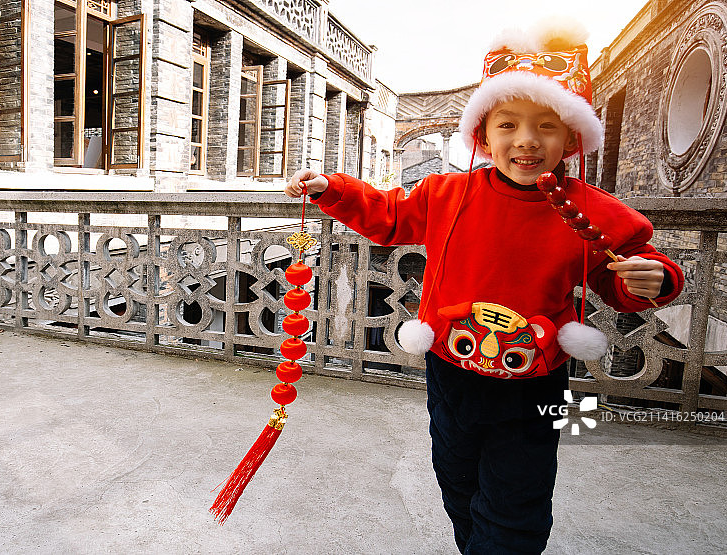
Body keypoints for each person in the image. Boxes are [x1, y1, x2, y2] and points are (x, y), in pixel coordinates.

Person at [285, 19, 684, 554]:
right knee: (456, 477)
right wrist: (332, 188)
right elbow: (387, 214)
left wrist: (655, 277)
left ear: (571, 137)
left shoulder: (594, 211)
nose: (526, 139)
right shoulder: (446, 194)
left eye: (547, 125)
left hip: (536, 378)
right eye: (508, 124)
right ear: (483, 134)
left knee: (519, 495)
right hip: (451, 370)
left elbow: (628, 274)